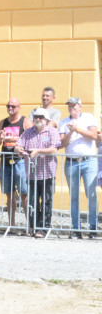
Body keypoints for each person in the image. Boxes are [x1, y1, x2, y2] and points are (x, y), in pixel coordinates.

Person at [16, 108, 61, 238]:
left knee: (46, 202)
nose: (38, 119)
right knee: (32, 202)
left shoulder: (52, 131)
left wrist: (38, 151)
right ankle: (33, 227)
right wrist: (18, 149)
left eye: (41, 117)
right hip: (31, 173)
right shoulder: (28, 132)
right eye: (36, 116)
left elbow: (54, 149)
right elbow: (18, 145)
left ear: (46, 119)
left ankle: (43, 229)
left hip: (47, 173)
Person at [59, 97, 100, 239]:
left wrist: (77, 129)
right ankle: (76, 228)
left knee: (91, 194)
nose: (71, 108)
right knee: (74, 196)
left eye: (74, 106)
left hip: (89, 161)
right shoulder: (64, 122)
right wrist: (70, 132)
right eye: (69, 106)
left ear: (80, 107)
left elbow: (93, 135)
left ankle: (93, 227)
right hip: (71, 162)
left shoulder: (88, 118)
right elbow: (62, 143)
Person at [0, 97, 31, 230]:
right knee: (9, 194)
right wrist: (1, 138)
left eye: (13, 106)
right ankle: (11, 224)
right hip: (6, 161)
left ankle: (29, 225)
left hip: (20, 161)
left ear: (19, 107)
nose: (10, 108)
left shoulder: (25, 121)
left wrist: (14, 139)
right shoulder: (3, 122)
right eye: (8, 106)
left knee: (24, 194)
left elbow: (32, 140)